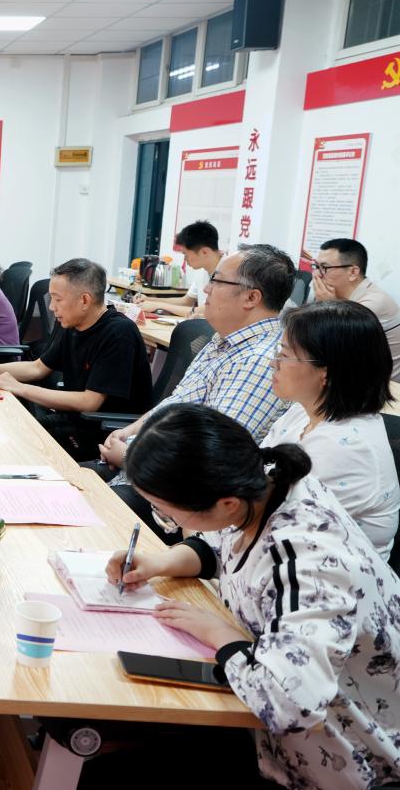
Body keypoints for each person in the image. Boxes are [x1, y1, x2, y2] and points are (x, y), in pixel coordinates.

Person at [108, 403, 400, 790]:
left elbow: (291, 704)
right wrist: (161, 563)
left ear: (225, 503)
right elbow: (223, 543)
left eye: (168, 511)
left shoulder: (310, 563)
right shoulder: (262, 486)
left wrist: (221, 636)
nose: (170, 520)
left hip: (348, 749)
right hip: (271, 704)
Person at [95, 246, 294, 541]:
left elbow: (211, 462)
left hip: (177, 504)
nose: (206, 290)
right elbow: (177, 401)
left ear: (251, 298)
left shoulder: (259, 362)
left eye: (216, 281)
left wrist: (130, 456)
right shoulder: (221, 341)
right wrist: (129, 432)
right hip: (146, 471)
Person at [0, 258, 152, 460]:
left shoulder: (118, 333)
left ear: (85, 300)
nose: (51, 307)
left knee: (14, 447)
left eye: (57, 299)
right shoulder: (74, 324)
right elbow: (37, 368)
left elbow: (89, 402)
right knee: (3, 429)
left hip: (104, 437)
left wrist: (20, 388)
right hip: (74, 421)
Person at [260, 299, 398, 556]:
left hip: (323, 574)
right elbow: (251, 474)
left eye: (285, 355)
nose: (273, 363)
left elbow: (266, 523)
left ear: (327, 373)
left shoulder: (346, 447)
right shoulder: (302, 412)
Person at [311, 238, 400, 379]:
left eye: (325, 268)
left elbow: (329, 346)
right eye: (316, 267)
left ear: (353, 272)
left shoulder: (373, 303)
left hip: (381, 384)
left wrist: (327, 307)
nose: (317, 274)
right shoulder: (334, 296)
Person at [136, 220, 224, 317]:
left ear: (204, 252)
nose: (185, 259)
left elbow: (204, 311)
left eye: (186, 254)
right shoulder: (203, 269)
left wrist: (158, 305)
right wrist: (149, 299)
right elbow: (186, 301)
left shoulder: (228, 273)